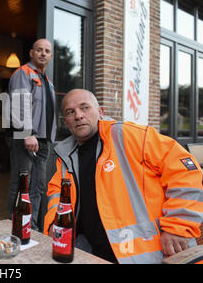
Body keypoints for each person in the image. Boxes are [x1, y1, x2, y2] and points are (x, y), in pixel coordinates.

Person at [44, 88, 203, 263]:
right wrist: (55, 222)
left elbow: (185, 169)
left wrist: (178, 226)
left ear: (101, 112)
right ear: (65, 121)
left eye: (85, 108)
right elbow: (56, 192)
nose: (79, 115)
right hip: (91, 252)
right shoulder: (65, 155)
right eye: (70, 112)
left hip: (148, 254)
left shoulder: (127, 135)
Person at [6, 39, 56, 231]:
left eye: (47, 51)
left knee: (38, 187)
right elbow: (19, 105)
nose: (43, 53)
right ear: (31, 53)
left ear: (50, 56)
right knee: (21, 184)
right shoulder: (23, 74)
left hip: (43, 141)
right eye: (39, 50)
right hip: (25, 138)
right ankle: (15, 227)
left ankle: (31, 227)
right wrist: (27, 133)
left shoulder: (47, 81)